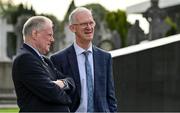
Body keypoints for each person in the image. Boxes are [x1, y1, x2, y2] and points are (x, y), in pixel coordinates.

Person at [50, 7, 117, 112]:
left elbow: (110, 96)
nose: (89, 27)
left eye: (91, 23)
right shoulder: (58, 59)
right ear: (72, 28)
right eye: (84, 24)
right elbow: (57, 98)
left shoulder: (105, 57)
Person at [12, 16, 75, 112]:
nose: (52, 39)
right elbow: (52, 93)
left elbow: (70, 80)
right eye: (49, 35)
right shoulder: (25, 59)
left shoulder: (45, 60)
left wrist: (62, 83)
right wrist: (68, 99)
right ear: (35, 34)